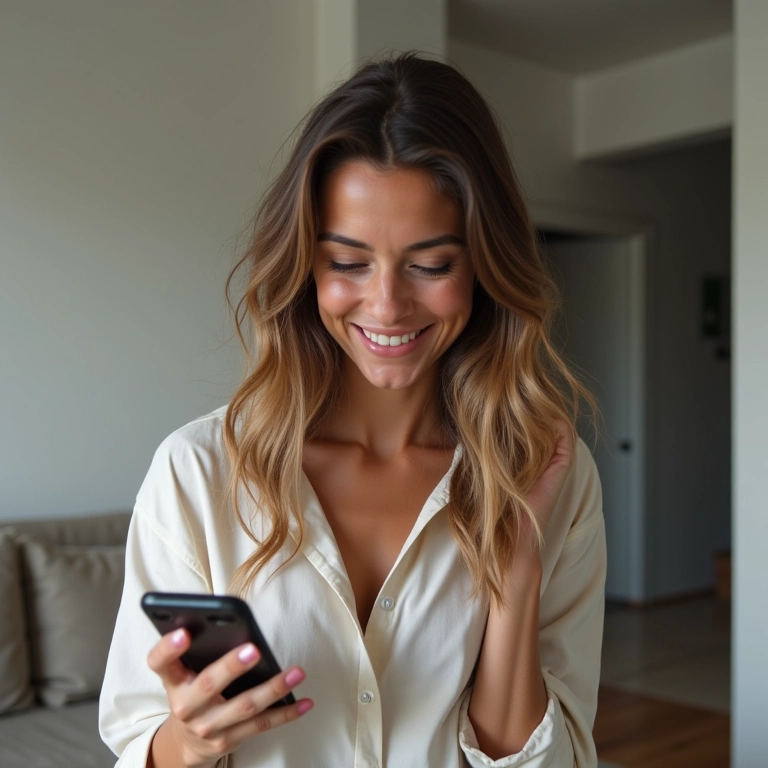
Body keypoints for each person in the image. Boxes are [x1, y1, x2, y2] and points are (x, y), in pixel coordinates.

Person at [99, 51, 606, 768]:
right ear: (305, 262)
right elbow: (134, 740)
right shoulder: (199, 472)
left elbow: (556, 761)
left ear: (485, 266)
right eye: (347, 262)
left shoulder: (550, 475)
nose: (388, 304)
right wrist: (187, 742)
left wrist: (514, 578)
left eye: (431, 265)